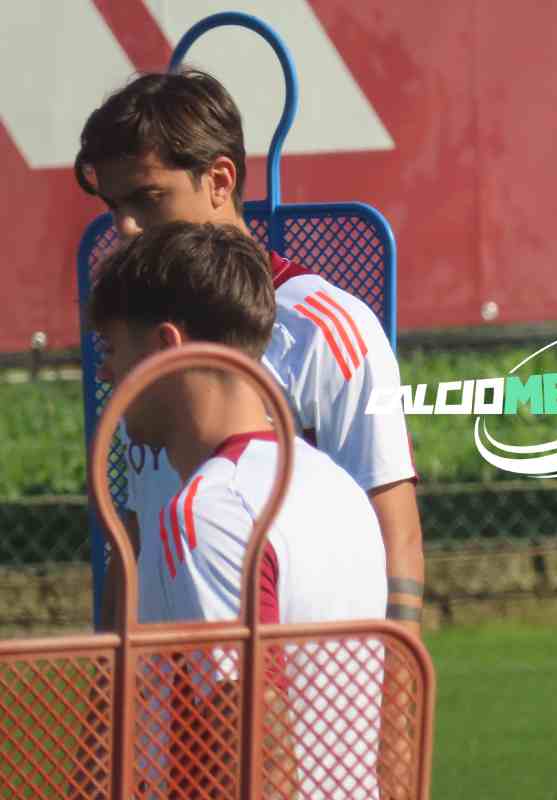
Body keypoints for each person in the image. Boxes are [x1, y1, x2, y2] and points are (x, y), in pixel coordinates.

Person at [74, 70, 424, 631]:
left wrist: (398, 702)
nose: (128, 228)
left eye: (147, 198)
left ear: (219, 179)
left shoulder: (327, 328)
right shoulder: (138, 341)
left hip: (281, 693)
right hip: (166, 699)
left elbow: (396, 536)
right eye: (115, 207)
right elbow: (138, 531)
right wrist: (108, 686)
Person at [90, 221, 387, 797]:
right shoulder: (335, 487)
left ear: (164, 350)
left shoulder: (206, 510)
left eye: (111, 348)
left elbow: (251, 747)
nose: (105, 373)